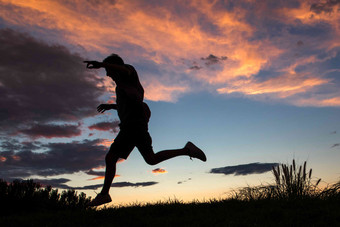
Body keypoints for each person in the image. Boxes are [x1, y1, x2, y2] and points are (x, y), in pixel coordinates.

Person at [84, 54, 206, 206]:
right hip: (135, 126)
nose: (107, 74)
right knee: (151, 159)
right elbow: (130, 104)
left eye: (108, 70)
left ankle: (104, 194)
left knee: (111, 157)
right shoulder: (121, 86)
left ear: (114, 67)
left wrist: (102, 64)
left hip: (132, 126)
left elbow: (124, 72)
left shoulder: (129, 74)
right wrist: (112, 106)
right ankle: (187, 150)